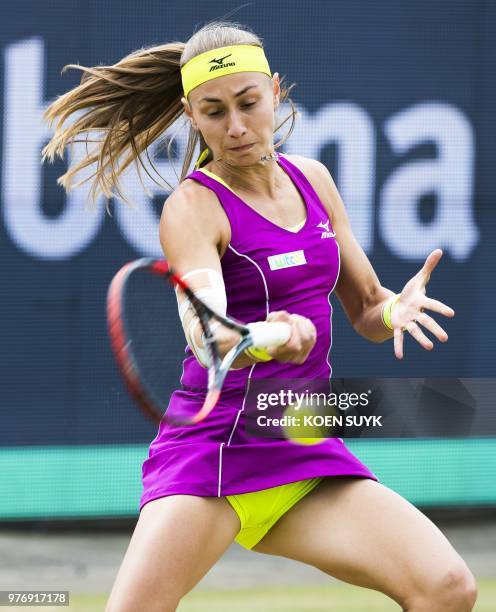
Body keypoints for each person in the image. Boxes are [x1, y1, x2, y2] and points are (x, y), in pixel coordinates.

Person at [42, 20, 477, 612]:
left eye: (248, 103)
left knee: (447, 588)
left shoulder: (314, 180)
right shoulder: (193, 207)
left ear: (275, 92)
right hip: (215, 446)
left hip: (297, 437)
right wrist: (270, 336)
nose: (238, 126)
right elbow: (208, 335)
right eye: (214, 111)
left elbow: (367, 308)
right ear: (191, 117)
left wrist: (393, 309)